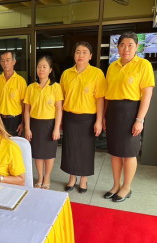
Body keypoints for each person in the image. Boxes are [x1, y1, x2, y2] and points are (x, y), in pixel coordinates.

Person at [103, 31, 155, 202]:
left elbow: (147, 95)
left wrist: (140, 119)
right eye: (122, 45)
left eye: (130, 45)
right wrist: (104, 117)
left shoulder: (144, 65)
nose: (126, 49)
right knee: (115, 153)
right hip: (113, 112)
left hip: (131, 111)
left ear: (137, 47)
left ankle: (126, 187)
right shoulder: (112, 66)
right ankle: (116, 184)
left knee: (129, 153)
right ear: (117, 47)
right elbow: (107, 96)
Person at [60, 42, 106, 193]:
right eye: (78, 52)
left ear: (90, 56)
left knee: (86, 150)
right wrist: (59, 121)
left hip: (88, 118)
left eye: (84, 52)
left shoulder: (97, 73)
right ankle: (72, 178)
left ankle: (84, 180)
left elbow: (100, 99)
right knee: (71, 149)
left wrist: (99, 121)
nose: (81, 55)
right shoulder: (66, 73)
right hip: (69, 117)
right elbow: (61, 98)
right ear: (74, 55)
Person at [24, 55, 63, 189]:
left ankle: (47, 178)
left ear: (50, 70)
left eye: (44, 67)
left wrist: (57, 128)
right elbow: (27, 111)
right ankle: (40, 177)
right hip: (35, 124)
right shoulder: (31, 87)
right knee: (38, 154)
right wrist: (27, 128)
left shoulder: (55, 87)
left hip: (50, 124)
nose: (41, 69)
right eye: (39, 67)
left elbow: (59, 110)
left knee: (49, 154)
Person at [0, 50, 27, 136]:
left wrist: (23, 123)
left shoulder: (21, 81)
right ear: (0, 63)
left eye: (8, 60)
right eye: (2, 60)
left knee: (13, 145)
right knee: (0, 144)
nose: (5, 63)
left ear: (14, 62)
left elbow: (24, 104)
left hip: (14, 120)